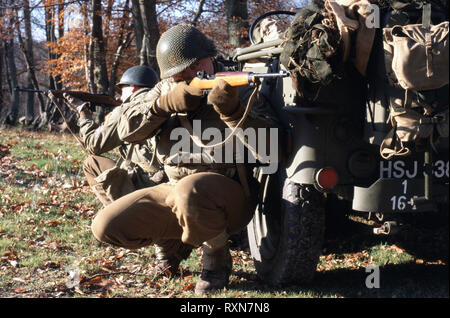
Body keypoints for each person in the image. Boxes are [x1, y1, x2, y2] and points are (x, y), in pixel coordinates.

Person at [90, 24, 280, 294]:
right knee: (106, 226)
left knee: (189, 191)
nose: (191, 75)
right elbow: (124, 129)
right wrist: (162, 106)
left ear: (210, 58)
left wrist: (234, 111)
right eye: (181, 72)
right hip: (174, 189)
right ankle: (175, 243)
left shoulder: (240, 86)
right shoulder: (163, 90)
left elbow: (273, 148)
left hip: (230, 195)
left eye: (195, 66)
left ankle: (216, 259)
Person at [64, 66, 193, 275]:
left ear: (132, 88)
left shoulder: (131, 108)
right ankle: (170, 246)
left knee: (91, 163)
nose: (119, 94)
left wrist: (83, 113)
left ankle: (155, 239)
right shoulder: (164, 98)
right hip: (180, 183)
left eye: (122, 88)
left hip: (156, 189)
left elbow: (93, 143)